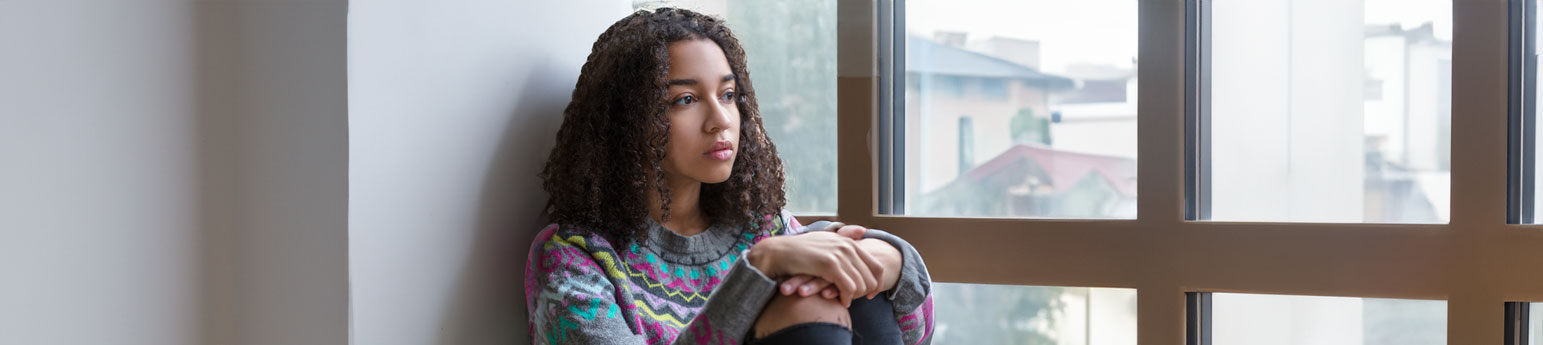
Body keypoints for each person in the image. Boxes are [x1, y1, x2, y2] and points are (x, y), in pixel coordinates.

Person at [527, 8, 933, 345]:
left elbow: (916, 333)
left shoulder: (762, 228)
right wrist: (760, 267)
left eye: (727, 95)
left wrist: (892, 260)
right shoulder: (574, 257)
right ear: (625, 120)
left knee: (834, 287)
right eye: (684, 100)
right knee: (812, 298)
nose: (721, 120)